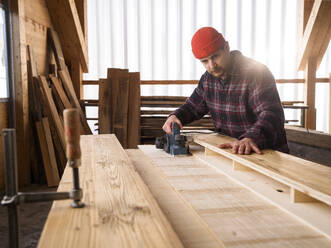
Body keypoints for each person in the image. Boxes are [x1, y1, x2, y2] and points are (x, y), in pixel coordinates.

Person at [162, 27, 289, 155]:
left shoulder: (256, 72)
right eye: (205, 61)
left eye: (215, 57)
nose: (211, 66)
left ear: (226, 47)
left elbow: (272, 114)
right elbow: (192, 107)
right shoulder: (207, 79)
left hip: (267, 153)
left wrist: (250, 138)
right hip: (236, 152)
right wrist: (175, 116)